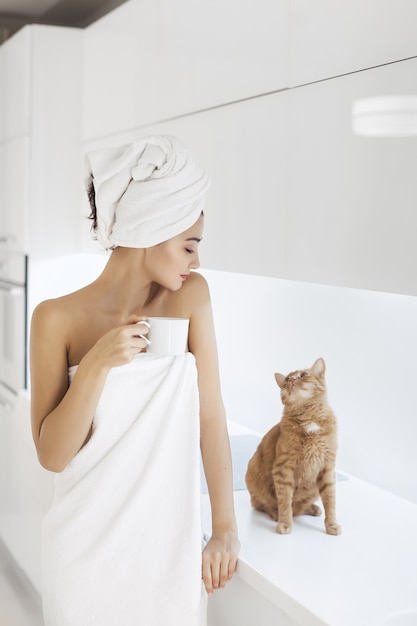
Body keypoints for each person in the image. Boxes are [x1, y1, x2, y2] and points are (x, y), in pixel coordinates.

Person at [30, 135, 240, 626]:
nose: (196, 261)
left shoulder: (190, 299)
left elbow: (211, 416)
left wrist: (224, 528)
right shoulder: (55, 318)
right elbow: (52, 455)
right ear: (153, 228)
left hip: (167, 559)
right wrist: (98, 365)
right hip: (82, 562)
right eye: (189, 245)